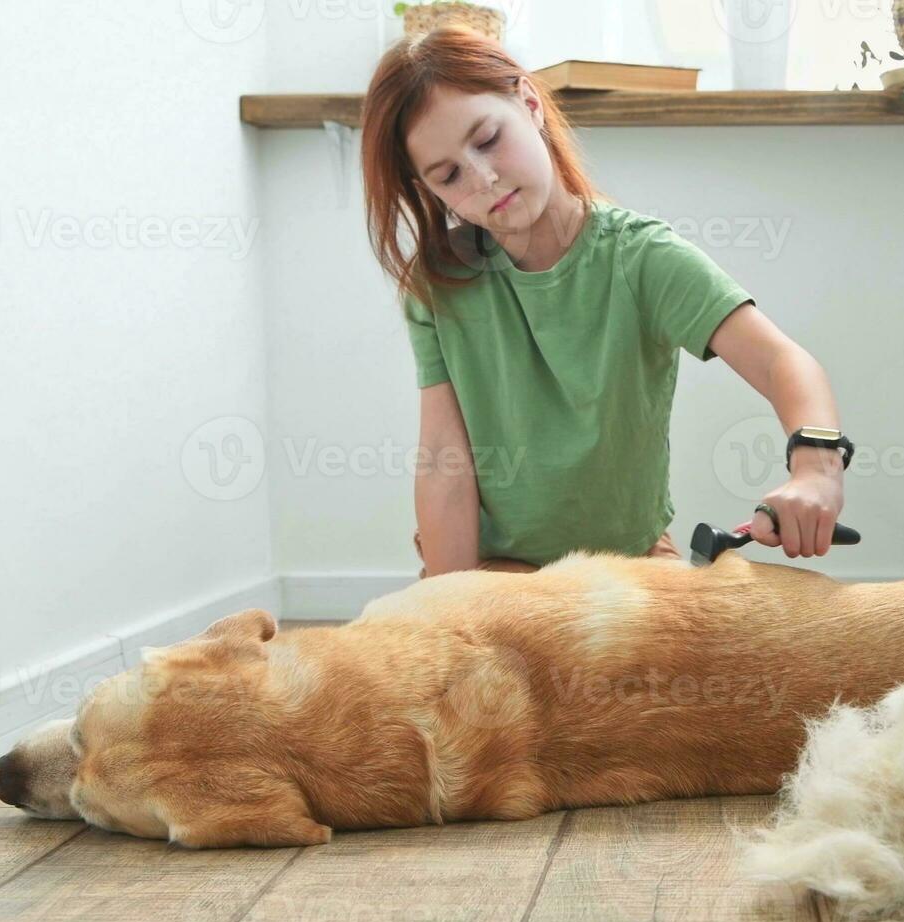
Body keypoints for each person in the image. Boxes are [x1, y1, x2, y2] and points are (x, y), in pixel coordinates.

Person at [360, 27, 853, 578]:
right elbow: (444, 462)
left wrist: (816, 470)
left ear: (528, 104)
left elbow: (782, 361)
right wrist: (452, 606)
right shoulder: (440, 286)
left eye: (488, 139)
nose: (483, 178)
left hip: (628, 568)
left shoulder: (639, 257)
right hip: (496, 570)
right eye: (449, 175)